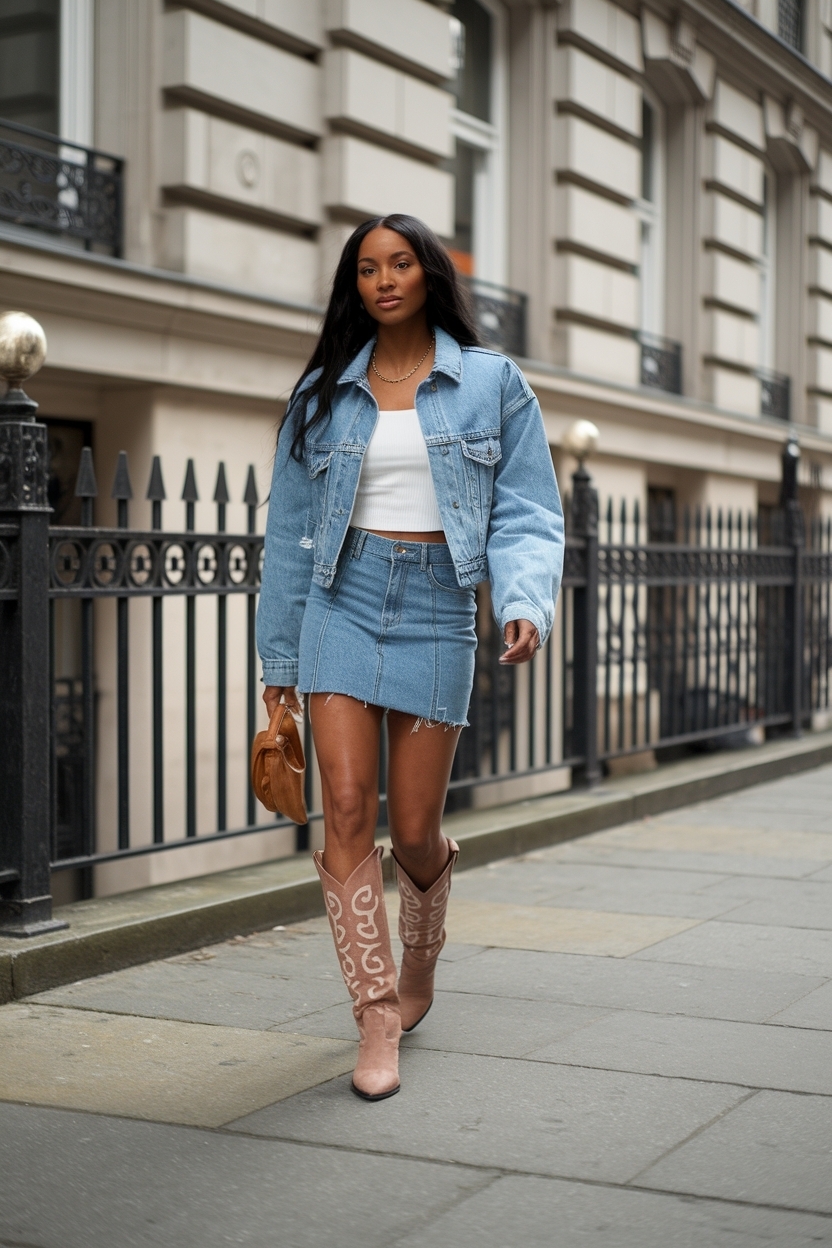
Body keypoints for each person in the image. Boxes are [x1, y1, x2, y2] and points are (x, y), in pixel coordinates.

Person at [257, 214, 564, 1101]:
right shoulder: (322, 393)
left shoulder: (492, 384)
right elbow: (286, 536)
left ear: (430, 274)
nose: (383, 280)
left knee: (416, 828)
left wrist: (521, 602)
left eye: (399, 264)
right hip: (339, 600)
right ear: (353, 286)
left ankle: (421, 952)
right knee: (346, 805)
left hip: (436, 605)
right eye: (366, 269)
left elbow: (529, 510)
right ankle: (377, 1013)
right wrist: (279, 656)